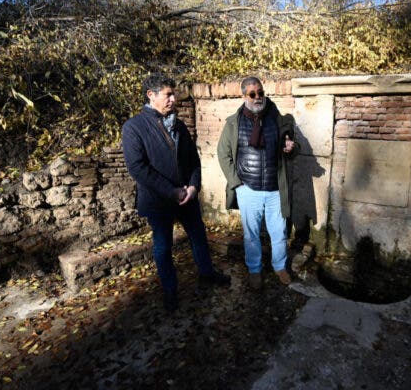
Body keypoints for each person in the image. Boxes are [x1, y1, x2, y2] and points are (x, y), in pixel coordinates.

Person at [122, 74, 230, 312]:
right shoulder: (134, 127)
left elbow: (193, 160)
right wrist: (172, 192)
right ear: (151, 95)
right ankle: (170, 291)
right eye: (168, 94)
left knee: (199, 238)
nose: (173, 99)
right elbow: (138, 168)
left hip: (187, 197)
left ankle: (207, 274)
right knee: (163, 248)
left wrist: (193, 187)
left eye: (174, 94)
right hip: (159, 200)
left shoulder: (178, 124)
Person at [217, 76, 299, 290]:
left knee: (279, 233)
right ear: (244, 96)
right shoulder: (234, 123)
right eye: (252, 94)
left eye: (260, 92)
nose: (258, 97)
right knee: (251, 235)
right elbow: (223, 153)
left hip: (274, 189)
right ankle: (254, 270)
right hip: (248, 189)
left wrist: (291, 147)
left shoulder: (276, 118)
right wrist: (237, 183)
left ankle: (279, 267)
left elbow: (290, 146)